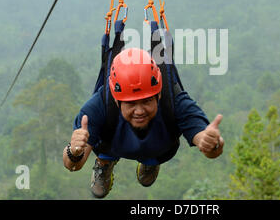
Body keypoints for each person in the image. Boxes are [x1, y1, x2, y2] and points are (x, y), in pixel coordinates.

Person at [63, 48, 224, 199]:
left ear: (159, 95)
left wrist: (212, 144)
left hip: (158, 145)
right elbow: (72, 165)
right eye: (131, 104)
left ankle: (150, 160)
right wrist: (74, 152)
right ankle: (105, 162)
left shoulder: (175, 102)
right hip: (112, 143)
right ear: (117, 100)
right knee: (104, 145)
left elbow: (209, 146)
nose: (139, 111)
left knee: (154, 148)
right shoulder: (97, 107)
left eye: (146, 101)